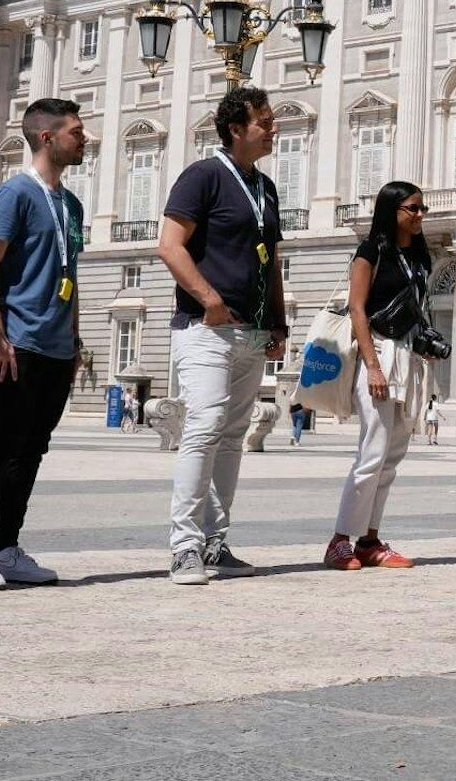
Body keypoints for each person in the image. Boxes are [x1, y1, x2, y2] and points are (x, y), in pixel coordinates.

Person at [0, 97, 86, 591]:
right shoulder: (15, 194)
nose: (84, 137)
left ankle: (6, 546)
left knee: (32, 449)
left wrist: (73, 340)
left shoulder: (70, 203)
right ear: (47, 137)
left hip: (55, 346)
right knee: (1, 445)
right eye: (75, 130)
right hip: (19, 341)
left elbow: (70, 273)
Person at [158, 86, 286, 585]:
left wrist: (277, 321)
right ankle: (183, 546)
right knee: (204, 428)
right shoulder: (203, 176)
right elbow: (170, 245)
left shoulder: (265, 187)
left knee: (233, 436)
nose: (272, 128)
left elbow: (271, 260)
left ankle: (215, 541)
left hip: (251, 332)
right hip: (205, 330)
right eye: (265, 121)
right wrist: (208, 298)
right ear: (236, 128)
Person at [326, 181, 434, 570]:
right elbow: (356, 309)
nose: (420, 215)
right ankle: (340, 539)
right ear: (393, 211)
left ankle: (369, 540)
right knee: (372, 452)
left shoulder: (421, 257)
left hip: (408, 355)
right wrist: (372, 365)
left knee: (392, 455)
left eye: (423, 209)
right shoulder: (370, 251)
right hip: (379, 352)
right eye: (414, 208)